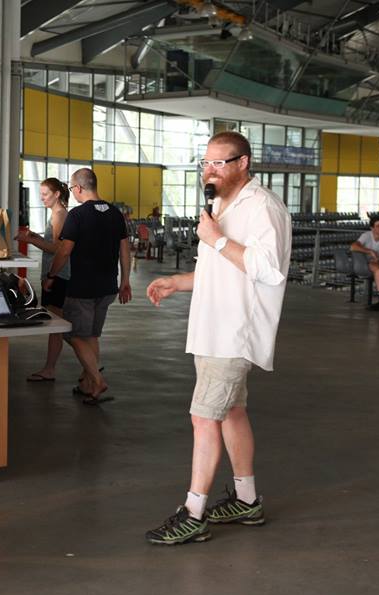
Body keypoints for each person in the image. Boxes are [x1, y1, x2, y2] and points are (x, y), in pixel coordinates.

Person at [144, 131, 291, 545]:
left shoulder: (263, 207)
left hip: (233, 331)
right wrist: (179, 281)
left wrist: (217, 239)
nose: (209, 171)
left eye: (218, 163)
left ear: (243, 163)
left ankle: (193, 513)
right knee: (231, 413)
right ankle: (246, 500)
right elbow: (222, 268)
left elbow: (268, 269)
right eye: (205, 163)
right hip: (212, 328)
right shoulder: (221, 205)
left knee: (204, 417)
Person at [44, 168, 131, 405]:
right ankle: (88, 384)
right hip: (108, 287)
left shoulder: (78, 215)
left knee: (73, 334)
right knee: (91, 335)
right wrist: (125, 281)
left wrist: (51, 275)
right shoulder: (115, 214)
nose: (72, 193)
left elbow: (64, 251)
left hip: (82, 288)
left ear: (79, 188)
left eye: (72, 188)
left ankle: (97, 380)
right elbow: (125, 250)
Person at [16, 177, 71, 382]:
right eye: (41, 194)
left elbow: (57, 248)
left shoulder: (59, 215)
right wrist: (36, 237)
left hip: (58, 275)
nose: (42, 198)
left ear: (57, 194)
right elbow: (52, 243)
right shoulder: (57, 214)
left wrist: (30, 240)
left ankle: (51, 369)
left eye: (45, 194)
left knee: (57, 325)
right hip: (56, 274)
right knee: (58, 325)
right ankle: (88, 361)